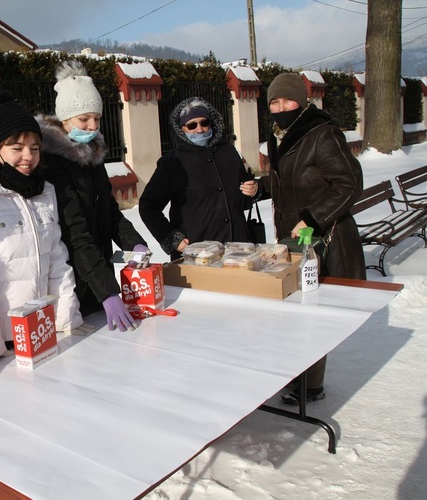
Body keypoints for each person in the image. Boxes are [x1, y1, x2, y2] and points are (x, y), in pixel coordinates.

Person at [0, 90, 86, 374]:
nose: (28, 156)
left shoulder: (44, 191)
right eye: (17, 147)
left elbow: (57, 260)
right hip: (2, 343)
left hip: (45, 332)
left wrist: (68, 321)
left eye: (34, 148)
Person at [254, 73, 366, 406]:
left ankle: (311, 385)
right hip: (297, 241)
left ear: (301, 102)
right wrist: (261, 186)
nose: (280, 107)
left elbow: (349, 184)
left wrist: (314, 218)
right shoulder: (282, 136)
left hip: (325, 239)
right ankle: (300, 376)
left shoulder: (321, 133)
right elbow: (293, 180)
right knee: (300, 311)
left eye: (286, 101)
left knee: (314, 314)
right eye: (274, 102)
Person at [36, 59, 151, 332]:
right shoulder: (53, 164)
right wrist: (108, 293)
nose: (91, 126)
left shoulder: (93, 156)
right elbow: (74, 233)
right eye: (83, 119)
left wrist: (134, 243)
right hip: (72, 284)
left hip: (98, 276)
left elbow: (109, 210)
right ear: (65, 120)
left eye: (96, 119)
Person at [139, 97, 258, 260]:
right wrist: (172, 239)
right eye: (192, 125)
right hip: (197, 254)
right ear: (181, 129)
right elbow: (148, 206)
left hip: (238, 251)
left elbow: (241, 198)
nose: (200, 129)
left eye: (204, 122)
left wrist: (253, 190)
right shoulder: (172, 163)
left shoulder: (228, 152)